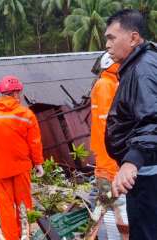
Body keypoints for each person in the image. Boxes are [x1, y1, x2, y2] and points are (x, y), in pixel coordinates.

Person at [104, 9, 157, 239]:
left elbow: (152, 117)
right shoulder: (138, 65)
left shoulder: (142, 69)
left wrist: (132, 162)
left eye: (111, 38)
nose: (107, 45)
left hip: (145, 173)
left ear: (133, 38)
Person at [0, 75, 44, 240]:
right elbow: (34, 142)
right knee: (24, 203)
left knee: (6, 206)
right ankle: (25, 234)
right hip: (21, 167)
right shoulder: (26, 114)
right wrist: (38, 163)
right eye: (19, 92)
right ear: (15, 93)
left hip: (0, 169)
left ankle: (11, 237)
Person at [90, 53, 129, 238]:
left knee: (104, 207)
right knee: (115, 207)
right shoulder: (107, 85)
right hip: (110, 162)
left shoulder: (108, 83)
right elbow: (110, 126)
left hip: (107, 160)